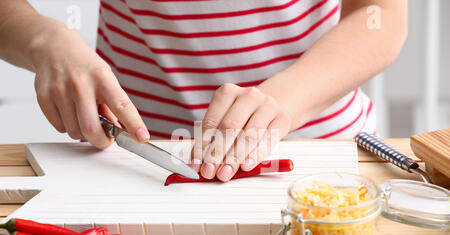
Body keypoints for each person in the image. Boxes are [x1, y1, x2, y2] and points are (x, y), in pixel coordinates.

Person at [0, 0, 407, 181]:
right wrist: (43, 39)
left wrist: (284, 100)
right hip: (134, 164)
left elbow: (382, 14)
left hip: (320, 150)